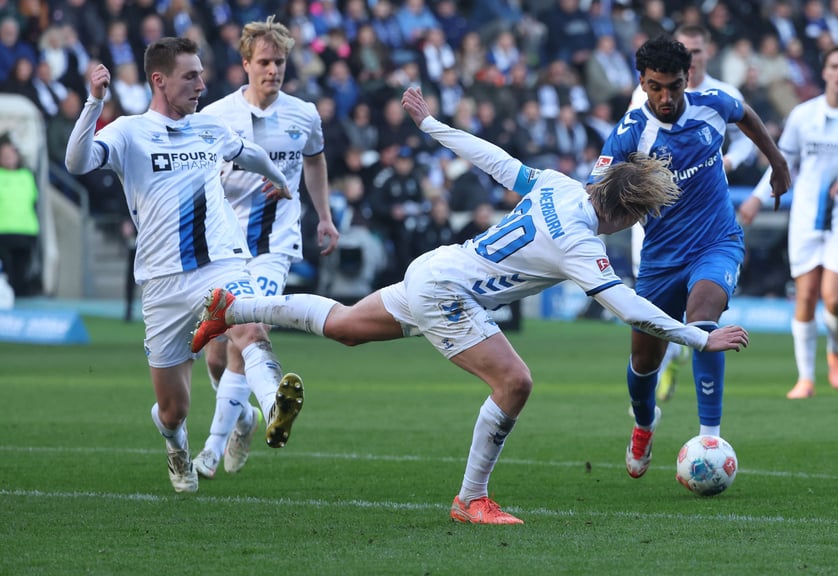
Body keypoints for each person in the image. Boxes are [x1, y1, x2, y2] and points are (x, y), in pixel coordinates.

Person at [190, 86, 751, 524]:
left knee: (345, 327)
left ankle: (232, 310)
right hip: (449, 294)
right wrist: (701, 336)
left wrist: (432, 125)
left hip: (438, 265)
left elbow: (497, 161)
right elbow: (629, 308)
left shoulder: (559, 184)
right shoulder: (581, 244)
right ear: (627, 213)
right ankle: (472, 498)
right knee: (515, 383)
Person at [64, 37, 305, 493]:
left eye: (200, 73)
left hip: (221, 261)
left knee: (249, 327)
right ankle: (176, 447)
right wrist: (94, 104)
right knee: (174, 409)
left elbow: (247, 153)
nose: (202, 83)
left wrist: (278, 179)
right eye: (190, 76)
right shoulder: (128, 131)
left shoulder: (208, 127)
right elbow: (77, 163)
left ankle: (276, 403)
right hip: (161, 282)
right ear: (160, 80)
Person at [591, 35, 790, 480]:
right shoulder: (628, 133)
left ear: (688, 79)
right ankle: (645, 424)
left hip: (717, 241)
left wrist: (777, 163)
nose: (666, 97)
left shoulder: (713, 104)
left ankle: (709, 439)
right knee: (644, 361)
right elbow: (595, 195)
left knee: (703, 319)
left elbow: (749, 118)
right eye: (656, 87)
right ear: (641, 82)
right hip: (660, 259)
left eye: (675, 86)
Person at [192, 17, 340, 480]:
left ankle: (222, 443)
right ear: (245, 64)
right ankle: (245, 422)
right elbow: (196, 175)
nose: (272, 70)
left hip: (275, 244)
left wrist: (325, 217)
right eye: (264, 62)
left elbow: (314, 162)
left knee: (248, 328)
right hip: (224, 244)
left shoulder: (304, 114)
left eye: (279, 62)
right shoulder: (215, 116)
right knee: (219, 354)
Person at [738, 46, 838, 399]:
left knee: (833, 299)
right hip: (806, 217)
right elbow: (781, 161)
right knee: (805, 297)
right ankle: (805, 379)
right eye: (835, 66)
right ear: (824, 72)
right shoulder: (804, 116)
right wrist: (758, 196)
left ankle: (835, 348)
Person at [627, 25, 758, 404]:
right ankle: (652, 396)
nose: (695, 57)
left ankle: (709, 432)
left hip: (708, 224)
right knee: (646, 344)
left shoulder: (720, 95)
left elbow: (747, 131)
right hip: (657, 230)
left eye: (699, 51)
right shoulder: (639, 108)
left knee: (701, 312)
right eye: (689, 50)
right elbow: (621, 164)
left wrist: (731, 159)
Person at [0, 137, 40, 297]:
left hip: (25, 229)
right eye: (4, 155)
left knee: (21, 270)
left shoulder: (27, 175)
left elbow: (33, 200)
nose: (8, 158)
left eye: (11, 154)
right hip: (3, 230)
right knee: (5, 271)